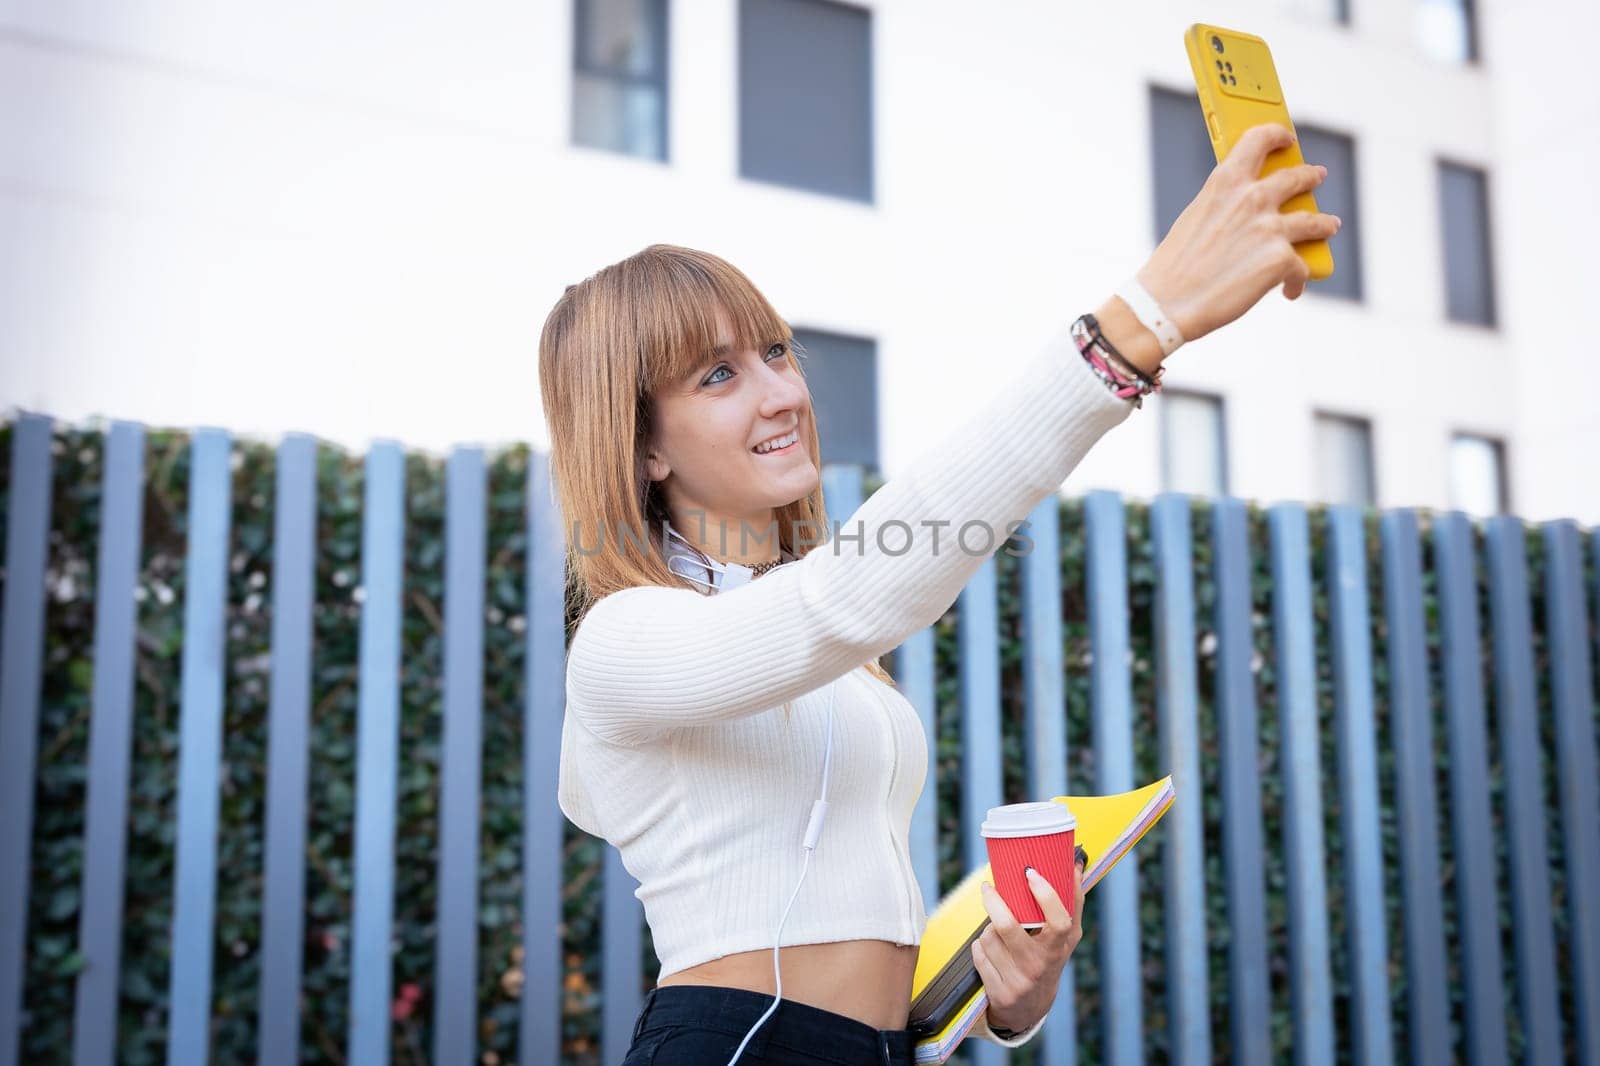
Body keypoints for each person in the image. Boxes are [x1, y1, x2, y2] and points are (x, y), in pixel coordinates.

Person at [540, 122, 1339, 1066]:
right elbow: (847, 597)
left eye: (776, 352)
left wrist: (1009, 995)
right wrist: (1138, 324)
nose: (782, 392)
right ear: (644, 447)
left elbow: (853, 932)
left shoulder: (817, 635)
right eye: (719, 375)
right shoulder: (624, 641)